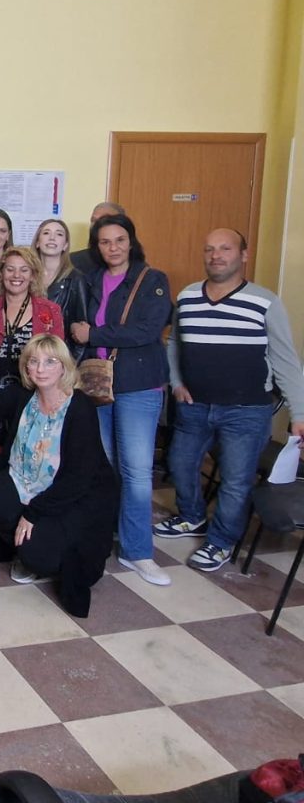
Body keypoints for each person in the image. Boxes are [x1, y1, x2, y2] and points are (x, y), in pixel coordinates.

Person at [156, 228, 304, 571]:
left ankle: (221, 542)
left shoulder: (265, 302)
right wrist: (176, 382)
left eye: (225, 249)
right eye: (209, 249)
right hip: (194, 405)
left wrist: (299, 413)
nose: (216, 256)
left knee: (236, 481)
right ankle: (192, 516)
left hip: (246, 410)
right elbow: (175, 343)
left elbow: (286, 361)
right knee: (180, 464)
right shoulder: (188, 296)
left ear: (243, 255)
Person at [0, 335, 118, 617]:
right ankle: (24, 542)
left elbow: (77, 478)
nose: (40, 369)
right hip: (26, 483)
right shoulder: (25, 396)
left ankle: (35, 545)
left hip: (69, 498)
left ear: (64, 367)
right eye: (34, 362)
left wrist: (33, 514)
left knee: (38, 555)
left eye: (50, 362)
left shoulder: (79, 407)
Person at [72, 213, 172, 587]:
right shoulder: (90, 280)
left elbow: (146, 330)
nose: (112, 247)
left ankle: (138, 551)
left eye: (119, 240)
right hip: (97, 383)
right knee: (105, 463)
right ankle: (108, 532)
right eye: (104, 241)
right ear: (96, 246)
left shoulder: (152, 280)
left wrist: (94, 333)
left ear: (131, 241)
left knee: (137, 471)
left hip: (138, 385)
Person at [0, 246, 64, 483]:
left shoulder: (49, 310)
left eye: (24, 270)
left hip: (30, 388)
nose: (16, 275)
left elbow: (58, 355)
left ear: (33, 275)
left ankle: (15, 502)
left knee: (23, 455)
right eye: (10, 269)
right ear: (1, 273)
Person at [33, 218, 89, 361]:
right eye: (46, 233)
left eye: (59, 234)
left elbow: (81, 328)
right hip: (29, 352)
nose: (52, 238)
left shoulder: (76, 279)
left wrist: (71, 365)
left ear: (65, 245)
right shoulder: (27, 275)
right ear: (37, 242)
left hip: (60, 357)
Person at [70, 202, 124, 275]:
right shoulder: (73, 261)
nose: (96, 225)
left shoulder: (133, 263)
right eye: (93, 221)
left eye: (104, 220)